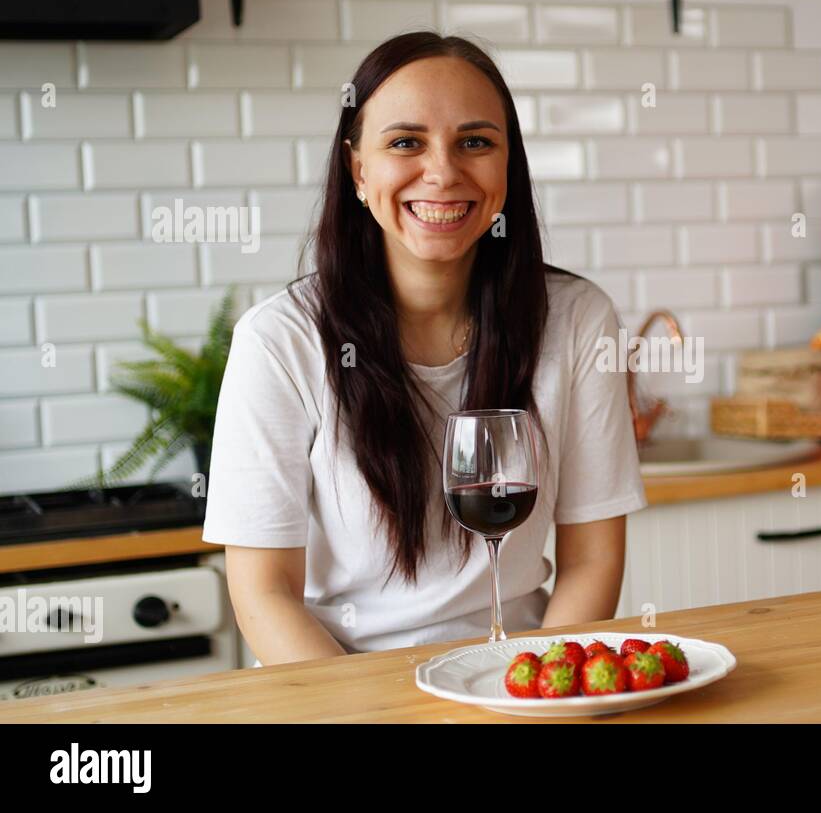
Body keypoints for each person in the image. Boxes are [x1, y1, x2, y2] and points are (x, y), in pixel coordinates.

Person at [201, 32, 647, 666]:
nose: (442, 171)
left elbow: (593, 560)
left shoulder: (578, 320)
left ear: (507, 167)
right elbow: (264, 596)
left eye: (475, 142)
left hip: (523, 677)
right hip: (347, 694)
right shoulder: (279, 342)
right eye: (405, 142)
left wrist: (529, 691)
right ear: (359, 170)